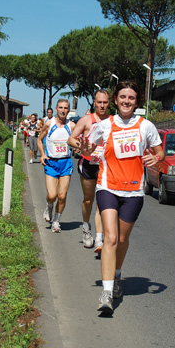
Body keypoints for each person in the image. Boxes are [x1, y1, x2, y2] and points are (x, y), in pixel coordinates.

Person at [80, 80, 164, 316]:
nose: (126, 101)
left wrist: (156, 159)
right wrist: (85, 148)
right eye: (123, 97)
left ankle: (117, 276)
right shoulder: (105, 125)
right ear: (115, 100)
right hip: (107, 187)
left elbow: (160, 152)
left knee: (123, 239)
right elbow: (87, 151)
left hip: (134, 191)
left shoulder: (146, 126)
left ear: (137, 102)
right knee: (111, 238)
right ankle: (106, 293)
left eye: (132, 98)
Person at [67, 90, 110, 251]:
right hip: (88, 164)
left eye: (105, 102)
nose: (102, 105)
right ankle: (86, 228)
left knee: (102, 202)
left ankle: (99, 238)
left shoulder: (113, 121)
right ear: (94, 103)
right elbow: (70, 139)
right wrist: (82, 147)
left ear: (109, 103)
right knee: (88, 200)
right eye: (99, 102)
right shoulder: (86, 120)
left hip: (105, 166)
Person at [37, 99, 76, 233]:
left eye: (66, 108)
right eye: (60, 107)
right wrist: (42, 154)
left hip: (66, 163)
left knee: (62, 195)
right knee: (52, 195)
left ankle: (56, 221)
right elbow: (39, 139)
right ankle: (49, 206)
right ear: (56, 109)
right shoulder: (49, 124)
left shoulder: (72, 126)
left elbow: (78, 140)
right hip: (51, 163)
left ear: (68, 110)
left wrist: (78, 147)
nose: (63, 110)